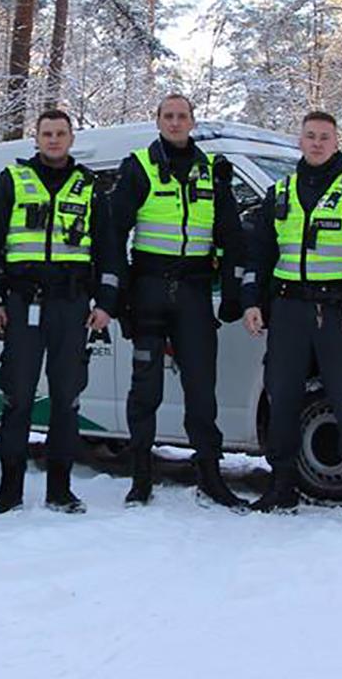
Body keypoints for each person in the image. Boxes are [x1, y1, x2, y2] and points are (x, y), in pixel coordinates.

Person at [243, 110, 342, 529]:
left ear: (336, 141)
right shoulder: (281, 192)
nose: (316, 143)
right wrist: (252, 302)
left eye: (324, 137)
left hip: (338, 312)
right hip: (288, 311)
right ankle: (282, 487)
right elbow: (259, 255)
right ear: (300, 140)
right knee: (282, 398)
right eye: (309, 136)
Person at [110, 94, 256, 511]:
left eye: (182, 116)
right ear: (157, 121)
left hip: (194, 292)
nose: (175, 122)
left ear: (192, 122)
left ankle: (210, 476)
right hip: (149, 289)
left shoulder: (211, 172)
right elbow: (113, 231)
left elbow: (232, 238)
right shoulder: (138, 167)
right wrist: (118, 295)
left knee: (201, 390)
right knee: (146, 389)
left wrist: (232, 292)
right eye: (168, 116)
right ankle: (140, 477)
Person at [0, 109, 116, 514]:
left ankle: (60, 490)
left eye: (60, 133)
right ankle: (9, 491)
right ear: (35, 139)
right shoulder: (13, 180)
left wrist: (105, 304)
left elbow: (108, 252)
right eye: (46, 133)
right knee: (17, 398)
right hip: (21, 305)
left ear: (72, 138)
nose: (53, 140)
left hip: (71, 307)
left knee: (66, 400)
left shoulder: (89, 187)